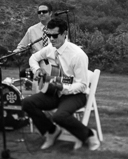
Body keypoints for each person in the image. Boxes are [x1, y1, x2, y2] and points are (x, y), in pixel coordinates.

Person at [21, 16, 100, 151]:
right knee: (27, 103)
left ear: (64, 34)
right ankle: (51, 131)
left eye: (55, 36)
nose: (51, 39)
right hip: (54, 91)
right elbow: (33, 58)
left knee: (59, 116)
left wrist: (64, 87)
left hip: (75, 94)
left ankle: (90, 135)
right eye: (48, 35)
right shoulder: (50, 48)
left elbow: (82, 85)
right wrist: (38, 70)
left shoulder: (78, 55)